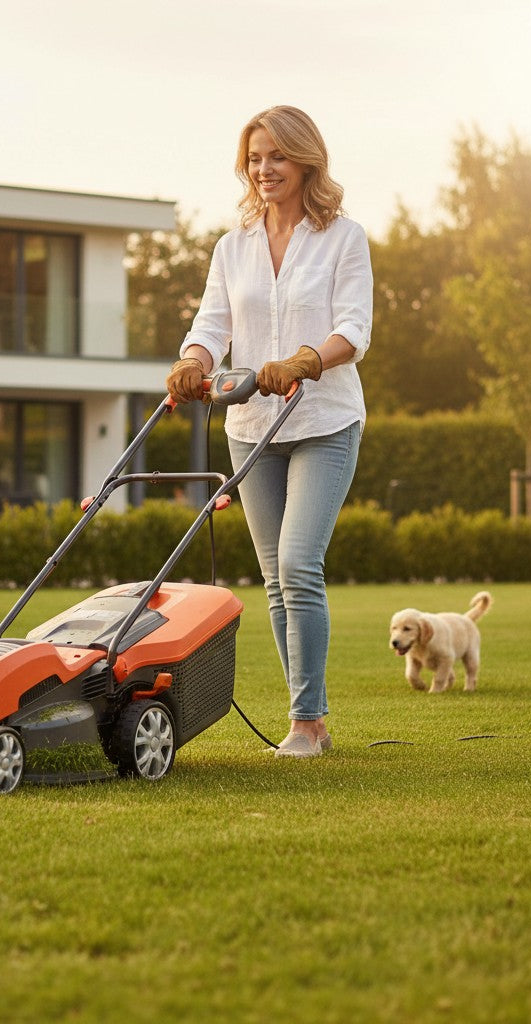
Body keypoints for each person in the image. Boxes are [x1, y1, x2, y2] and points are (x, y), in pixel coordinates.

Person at [165, 105, 372, 759]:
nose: (264, 169)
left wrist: (306, 360)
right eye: (255, 158)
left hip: (323, 419)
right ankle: (303, 719)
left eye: (276, 157)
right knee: (275, 579)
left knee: (298, 564)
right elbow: (211, 324)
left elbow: (355, 328)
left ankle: (309, 723)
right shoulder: (234, 245)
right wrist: (192, 362)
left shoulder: (343, 238)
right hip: (251, 424)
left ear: (306, 160)